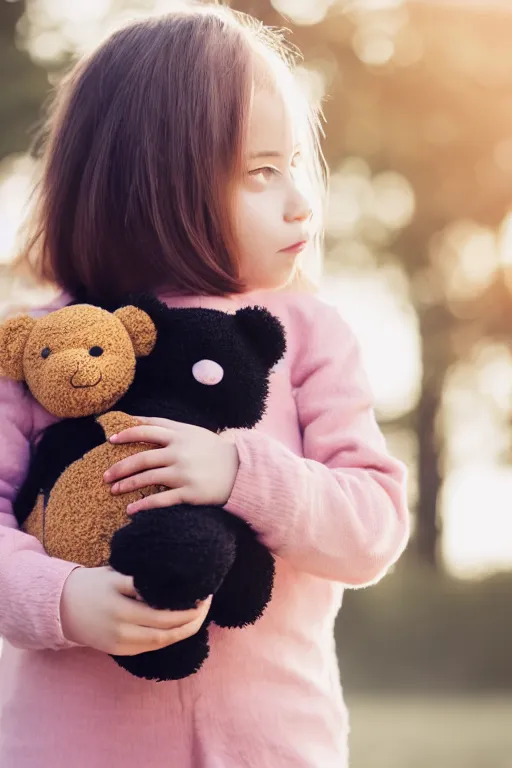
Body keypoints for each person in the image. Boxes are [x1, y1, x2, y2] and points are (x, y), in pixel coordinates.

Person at [0, 4, 409, 767]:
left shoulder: (308, 335)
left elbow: (373, 528)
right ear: (151, 181)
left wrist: (239, 474)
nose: (300, 200)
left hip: (277, 750)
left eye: (294, 163)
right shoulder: (40, 348)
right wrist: (63, 600)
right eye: (261, 171)